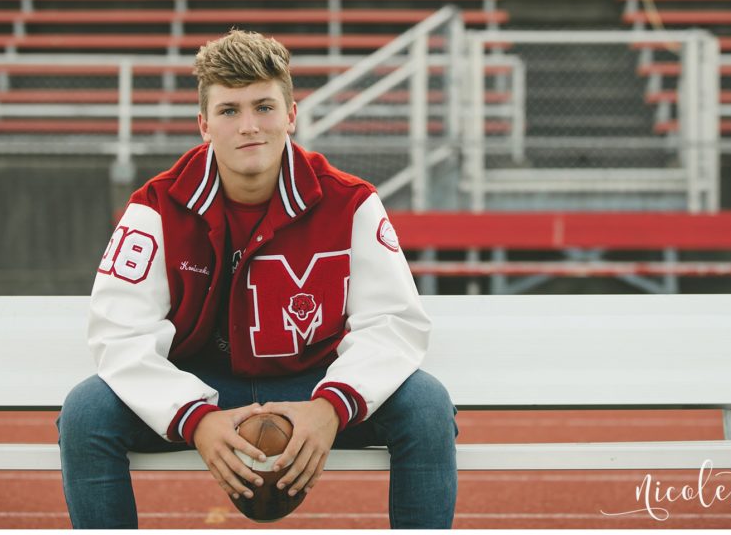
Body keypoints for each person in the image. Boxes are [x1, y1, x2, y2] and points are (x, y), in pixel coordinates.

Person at [57, 29, 457, 530]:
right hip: (203, 382)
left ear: (291, 114)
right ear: (204, 124)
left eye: (264, 107)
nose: (249, 126)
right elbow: (119, 334)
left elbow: (395, 322)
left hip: (311, 382)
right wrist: (194, 418)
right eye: (229, 111)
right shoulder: (157, 208)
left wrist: (332, 406)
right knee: (86, 413)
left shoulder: (349, 202)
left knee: (425, 404)